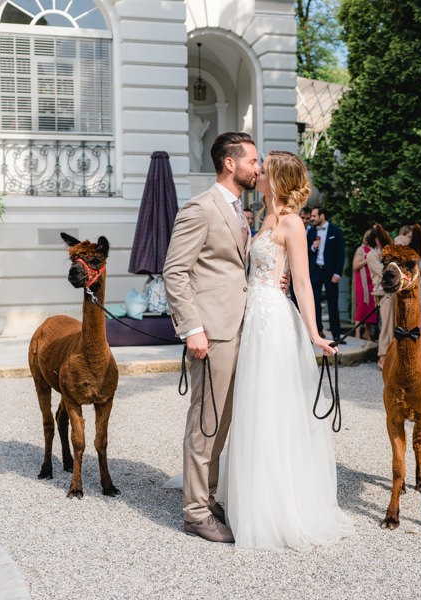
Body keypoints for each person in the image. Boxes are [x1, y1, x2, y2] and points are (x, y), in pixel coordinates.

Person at [221, 150, 353, 550]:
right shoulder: (261, 216)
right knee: (251, 406)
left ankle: (275, 508)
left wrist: (315, 333)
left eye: (263, 168)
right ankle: (246, 494)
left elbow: (303, 283)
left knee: (273, 407)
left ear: (276, 178)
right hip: (252, 317)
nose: (256, 171)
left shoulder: (293, 223)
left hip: (274, 322)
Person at [162, 131, 259, 543]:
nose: (259, 168)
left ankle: (209, 495)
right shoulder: (199, 209)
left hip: (239, 329)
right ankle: (195, 512)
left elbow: (232, 269)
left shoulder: (239, 211)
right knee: (206, 422)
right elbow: (175, 271)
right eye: (253, 161)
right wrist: (192, 329)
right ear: (230, 163)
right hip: (212, 334)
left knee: (224, 421)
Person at [307, 207, 346, 342]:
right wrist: (313, 247)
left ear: (322, 216)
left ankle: (336, 335)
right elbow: (306, 251)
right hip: (316, 271)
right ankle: (318, 331)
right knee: (314, 302)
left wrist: (337, 273)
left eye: (314, 216)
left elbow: (341, 254)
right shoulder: (311, 232)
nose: (312, 218)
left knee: (332, 303)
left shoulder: (336, 231)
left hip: (330, 273)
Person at [367, 223, 394, 367]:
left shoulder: (388, 252)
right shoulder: (371, 255)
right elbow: (384, 272)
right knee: (386, 324)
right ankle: (383, 356)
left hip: (393, 291)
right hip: (383, 293)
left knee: (394, 324)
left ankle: (392, 355)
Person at [352, 229, 378, 341]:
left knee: (371, 306)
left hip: (371, 281)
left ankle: (367, 332)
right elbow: (355, 266)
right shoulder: (361, 250)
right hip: (362, 283)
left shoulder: (374, 250)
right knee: (362, 305)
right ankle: (357, 331)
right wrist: (367, 260)